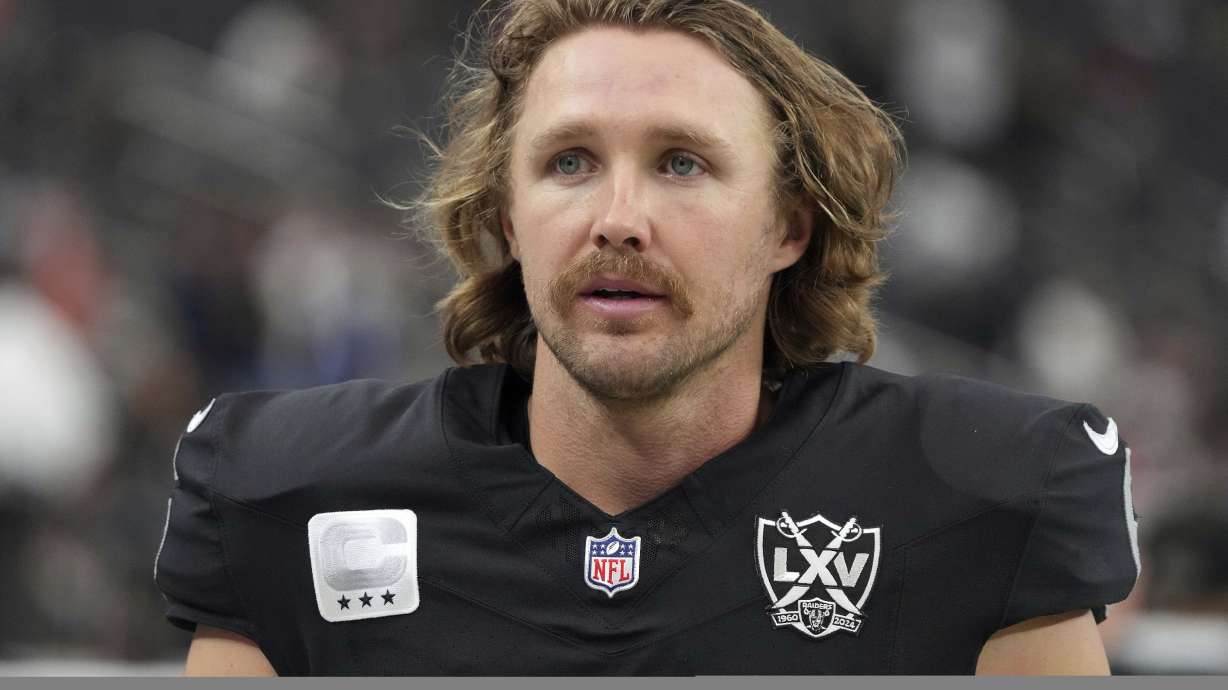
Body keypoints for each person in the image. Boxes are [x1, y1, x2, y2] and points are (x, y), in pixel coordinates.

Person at [155, 0, 1139, 675]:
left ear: (789, 226)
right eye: (570, 161)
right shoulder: (289, 494)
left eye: (680, 162)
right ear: (505, 215)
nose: (618, 217)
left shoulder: (983, 496)